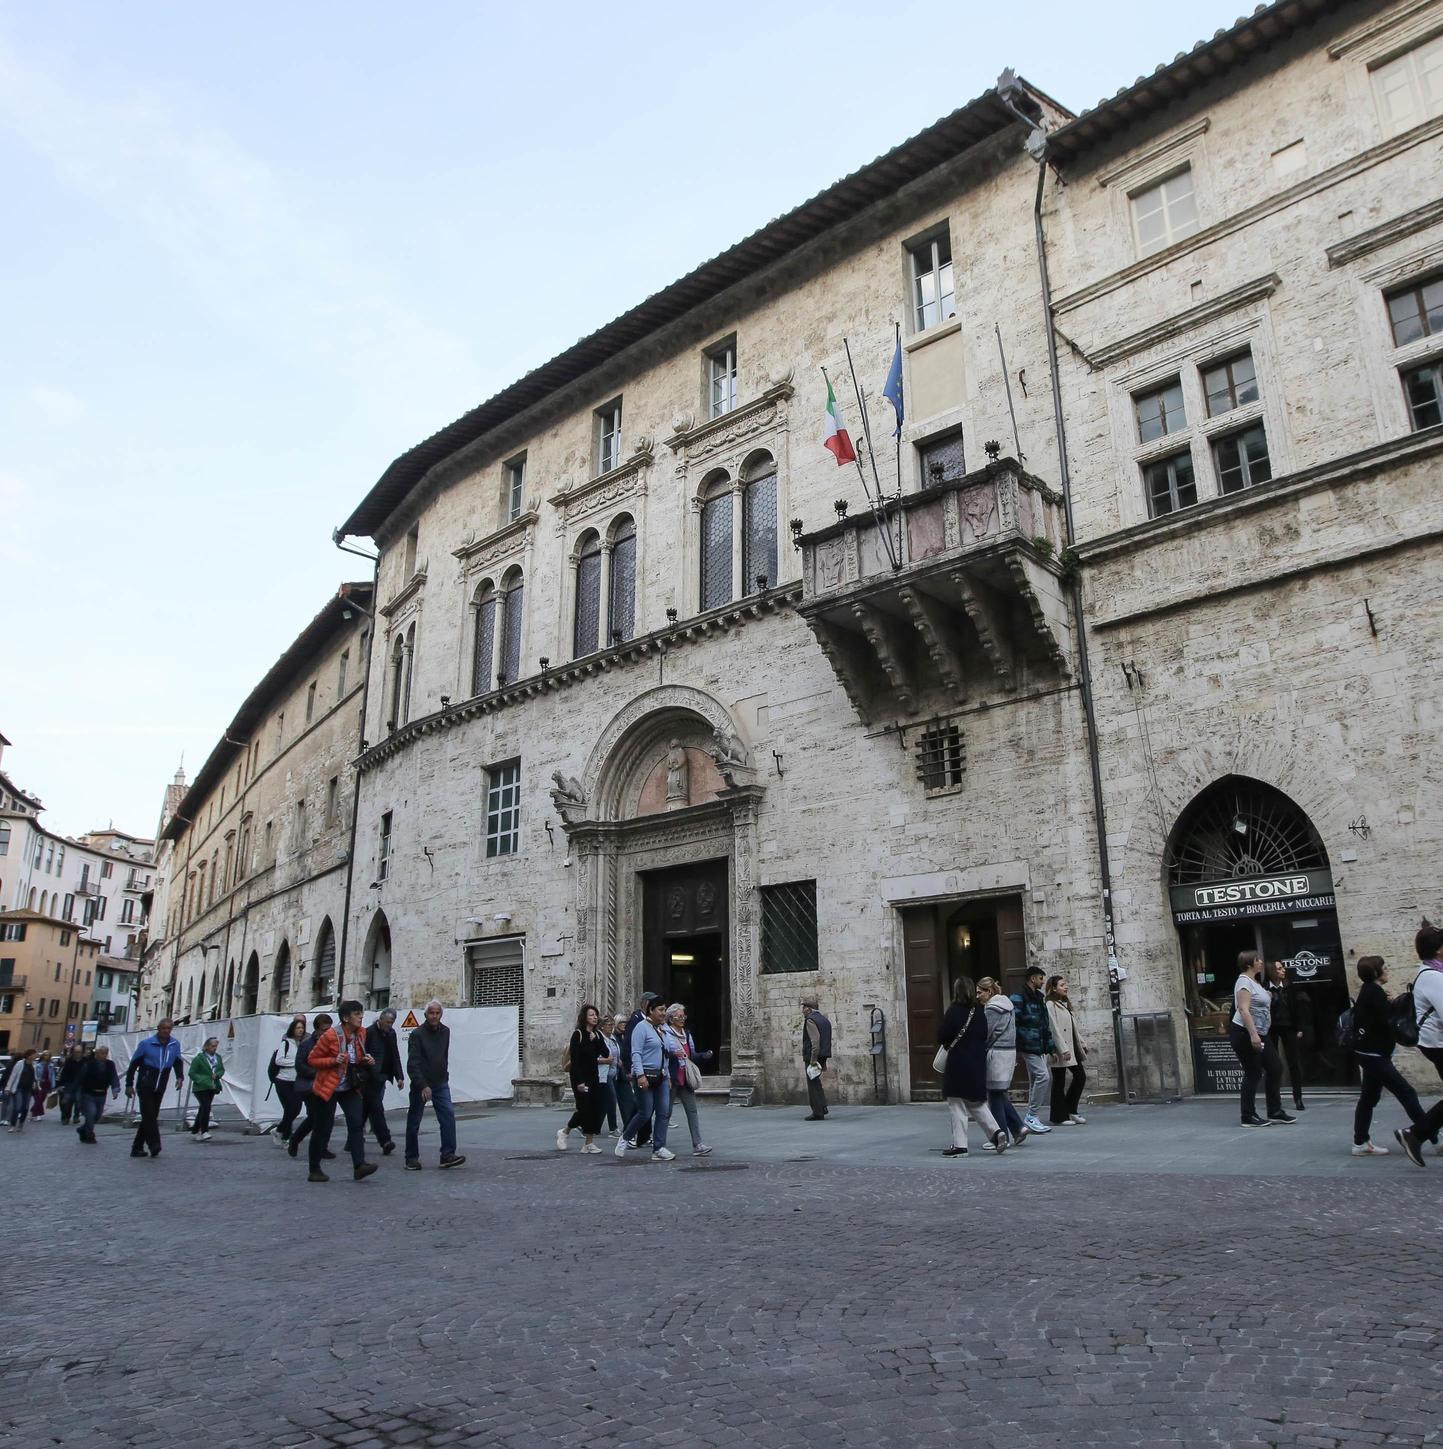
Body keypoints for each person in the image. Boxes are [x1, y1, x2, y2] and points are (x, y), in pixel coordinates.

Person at [1350, 956, 1426, 1156]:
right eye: (1384, 967)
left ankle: (1360, 1142)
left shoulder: (1370, 991)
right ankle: (1430, 1135)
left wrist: (1388, 1001)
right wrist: (1392, 1004)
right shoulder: (1373, 992)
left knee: (1368, 1097)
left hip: (1369, 1053)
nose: (1387, 970)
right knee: (1406, 1092)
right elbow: (1387, 1021)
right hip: (1374, 1055)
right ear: (1376, 972)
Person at [304, 1000, 379, 1183]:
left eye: (361, 1013)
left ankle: (359, 1165)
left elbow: (356, 1058)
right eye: (357, 1013)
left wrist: (366, 1059)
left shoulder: (361, 1033)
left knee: (355, 1123)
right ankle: (314, 1169)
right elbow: (312, 1059)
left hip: (349, 1086)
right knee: (322, 1127)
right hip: (328, 1086)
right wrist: (332, 1060)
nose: (361, 1016)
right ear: (346, 1018)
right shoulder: (330, 1035)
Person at [938, 977, 1005, 1157]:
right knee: (976, 1102)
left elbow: (942, 1034)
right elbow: (984, 1034)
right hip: (976, 1062)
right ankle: (997, 1133)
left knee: (956, 1103)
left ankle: (960, 1146)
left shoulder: (954, 1011)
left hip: (958, 1062)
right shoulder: (979, 1011)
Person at [1394, 923, 1443, 1167]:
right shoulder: (1433, 977)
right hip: (1438, 1043)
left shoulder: (1432, 972)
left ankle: (1415, 1135)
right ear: (1438, 950)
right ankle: (1414, 1134)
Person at [1228, 950, 1293, 1127]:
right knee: (1253, 1072)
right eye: (1258, 960)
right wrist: (1253, 1035)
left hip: (1261, 1033)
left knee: (1275, 1067)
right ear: (1249, 963)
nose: (1261, 962)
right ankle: (1247, 1116)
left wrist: (1268, 995)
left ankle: (1275, 1111)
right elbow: (1243, 1009)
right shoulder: (1243, 982)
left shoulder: (1253, 982)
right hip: (1245, 1033)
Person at [405, 999, 465, 1171]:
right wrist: (422, 1084)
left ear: (441, 1014)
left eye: (437, 1013)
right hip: (421, 1084)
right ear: (426, 1014)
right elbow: (413, 1063)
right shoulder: (417, 1034)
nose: (434, 1016)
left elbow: (443, 1056)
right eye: (431, 1013)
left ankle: (448, 1155)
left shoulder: (445, 1032)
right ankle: (411, 1157)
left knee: (447, 1116)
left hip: (440, 1082)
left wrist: (444, 1075)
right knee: (414, 1120)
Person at [615, 996, 676, 1161]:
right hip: (645, 1076)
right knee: (645, 1112)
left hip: (661, 1076)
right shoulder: (641, 1028)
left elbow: (665, 1055)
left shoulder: (661, 1029)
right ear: (651, 1010)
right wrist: (640, 1075)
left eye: (665, 1010)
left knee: (664, 1112)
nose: (664, 1013)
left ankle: (659, 1148)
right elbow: (636, 1052)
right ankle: (625, 1138)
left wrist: (668, 1075)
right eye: (661, 1010)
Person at [976, 977, 1027, 1150]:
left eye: (979, 992)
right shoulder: (1008, 1006)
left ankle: (1000, 1136)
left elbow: (986, 1033)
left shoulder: (991, 1009)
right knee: (998, 1092)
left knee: (994, 1094)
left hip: (996, 1054)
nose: (977, 996)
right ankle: (1019, 1127)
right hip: (1008, 1052)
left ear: (988, 992)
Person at [125, 1019, 187, 1157]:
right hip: (146, 1083)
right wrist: (129, 1084)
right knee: (149, 1115)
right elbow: (134, 1064)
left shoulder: (174, 1044)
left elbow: (177, 1062)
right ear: (158, 1029)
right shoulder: (146, 1044)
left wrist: (180, 1077)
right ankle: (155, 1144)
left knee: (150, 1116)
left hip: (161, 1084)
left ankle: (137, 1147)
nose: (166, 1031)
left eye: (169, 1029)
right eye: (163, 1028)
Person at [1010, 966, 1057, 1135]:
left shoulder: (1038, 998)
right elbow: (1012, 1022)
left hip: (1038, 1045)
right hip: (1027, 1044)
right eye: (1040, 978)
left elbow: (1044, 1024)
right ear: (1032, 979)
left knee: (1035, 1079)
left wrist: (1051, 1047)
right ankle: (1031, 1115)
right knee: (1043, 1076)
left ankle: (1031, 1116)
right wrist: (1015, 1045)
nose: (1043, 982)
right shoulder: (1018, 997)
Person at [558, 1004, 610, 1153]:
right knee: (584, 1109)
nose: (594, 1017)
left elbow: (606, 1053)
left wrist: (597, 1040)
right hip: (579, 1077)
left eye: (595, 1015)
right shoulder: (578, 1034)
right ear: (584, 1018)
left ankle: (588, 1143)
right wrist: (580, 1082)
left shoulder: (598, 1035)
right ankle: (565, 1132)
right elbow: (575, 1060)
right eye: (591, 1015)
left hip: (594, 1076)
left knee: (595, 1109)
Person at [663, 1003, 713, 1156]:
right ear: (671, 1018)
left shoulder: (687, 1034)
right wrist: (668, 1070)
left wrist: (704, 1055)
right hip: (672, 1077)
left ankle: (697, 1144)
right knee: (666, 1112)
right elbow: (663, 1053)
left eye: (683, 1016)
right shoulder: (665, 1033)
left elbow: (691, 1055)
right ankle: (660, 1144)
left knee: (692, 1111)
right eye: (679, 1016)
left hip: (686, 1078)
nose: (682, 1018)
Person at [286, 1014, 334, 1161]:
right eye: (324, 1029)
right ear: (318, 1029)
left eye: (329, 1028)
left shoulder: (332, 1044)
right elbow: (300, 1066)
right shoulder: (307, 1044)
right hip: (310, 1087)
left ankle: (322, 1147)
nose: (327, 1032)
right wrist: (318, 1072)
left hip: (328, 1085)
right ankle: (295, 1139)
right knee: (315, 1117)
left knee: (328, 1117)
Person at [619, 990, 660, 1147]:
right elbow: (629, 1047)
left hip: (651, 1071)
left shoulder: (652, 1022)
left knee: (646, 1107)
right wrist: (630, 1069)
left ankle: (642, 1136)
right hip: (640, 1071)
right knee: (642, 1107)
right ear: (646, 1005)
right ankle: (629, 1136)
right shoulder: (636, 1021)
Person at [1045, 975, 1088, 1126]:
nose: (1066, 987)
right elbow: (1053, 1029)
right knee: (1059, 1081)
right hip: (1061, 1048)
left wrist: (1082, 1043)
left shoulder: (1064, 1003)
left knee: (1080, 1076)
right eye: (1062, 985)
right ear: (1053, 988)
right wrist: (1062, 1049)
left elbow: (1073, 1027)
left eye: (1066, 984)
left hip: (1072, 1046)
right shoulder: (1050, 1005)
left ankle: (1071, 1110)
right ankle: (1059, 1116)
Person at [1265, 959, 1306, 1112]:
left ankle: (1298, 1097)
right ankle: (1275, 1099)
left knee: (1294, 1062)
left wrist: (1299, 1027)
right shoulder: (1265, 989)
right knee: (1273, 1064)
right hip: (1271, 1029)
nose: (1283, 971)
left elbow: (1298, 1007)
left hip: (1289, 1027)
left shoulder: (1289, 987)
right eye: (1280, 968)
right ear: (1272, 971)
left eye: (1283, 968)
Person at [361, 1007, 403, 1156]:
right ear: (380, 1020)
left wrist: (399, 1076)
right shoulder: (369, 1033)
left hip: (382, 1076)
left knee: (367, 1108)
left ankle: (353, 1138)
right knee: (377, 1108)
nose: (389, 1025)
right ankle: (385, 1140)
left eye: (392, 1023)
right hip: (369, 1077)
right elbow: (362, 1055)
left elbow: (395, 1055)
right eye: (387, 1022)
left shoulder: (391, 1034)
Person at [270, 1016, 308, 1146]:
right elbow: (279, 1060)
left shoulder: (303, 1044)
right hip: (283, 1081)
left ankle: (280, 1132)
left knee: (295, 1108)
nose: (300, 1030)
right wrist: (296, 1063)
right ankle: (285, 1135)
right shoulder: (286, 1043)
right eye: (298, 1028)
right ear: (292, 1029)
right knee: (291, 1108)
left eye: (302, 1028)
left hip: (296, 1081)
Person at [76, 1045, 120, 1145]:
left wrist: (115, 1089)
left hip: (101, 1094)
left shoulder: (110, 1064)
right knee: (91, 1113)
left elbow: (114, 1077)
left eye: (105, 1053)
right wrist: (78, 1093)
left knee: (97, 1116)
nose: (103, 1055)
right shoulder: (89, 1064)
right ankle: (89, 1135)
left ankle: (82, 1129)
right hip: (89, 1093)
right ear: (96, 1054)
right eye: (101, 1053)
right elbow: (80, 1078)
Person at [188, 1037, 225, 1141]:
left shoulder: (218, 1058)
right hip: (201, 1087)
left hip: (212, 1086)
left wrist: (217, 1074)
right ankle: (204, 1130)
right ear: (207, 1047)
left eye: (216, 1046)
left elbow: (221, 1069)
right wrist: (202, 1080)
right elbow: (192, 1073)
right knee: (206, 1106)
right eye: (213, 1046)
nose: (215, 1048)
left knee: (203, 1108)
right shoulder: (199, 1059)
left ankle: (196, 1129)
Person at [801, 995, 831, 1121]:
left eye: (804, 1007)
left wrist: (813, 1060)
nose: (802, 1010)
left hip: (813, 1056)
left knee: (812, 1084)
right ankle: (822, 1107)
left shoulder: (810, 1020)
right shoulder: (824, 1020)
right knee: (816, 1082)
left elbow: (815, 1041)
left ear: (809, 1009)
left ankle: (817, 1112)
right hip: (823, 1055)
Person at [595, 1014, 621, 1135]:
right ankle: (613, 1128)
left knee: (603, 1102)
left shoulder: (613, 1038)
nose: (611, 1027)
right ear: (601, 1027)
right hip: (602, 1074)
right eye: (608, 1025)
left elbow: (615, 1053)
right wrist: (605, 1060)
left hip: (613, 1073)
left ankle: (587, 1125)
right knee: (611, 1099)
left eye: (612, 1025)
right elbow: (590, 1058)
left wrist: (618, 1061)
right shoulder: (598, 1040)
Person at [4, 1050, 37, 1132]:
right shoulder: (20, 1063)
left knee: (25, 1108)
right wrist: (8, 1087)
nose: (34, 1056)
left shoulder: (34, 1065)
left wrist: (37, 1085)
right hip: (19, 1088)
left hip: (28, 1089)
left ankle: (21, 1124)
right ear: (28, 1055)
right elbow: (13, 1075)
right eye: (33, 1055)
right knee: (17, 1107)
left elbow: (35, 1077)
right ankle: (13, 1125)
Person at [57, 1046, 86, 1125]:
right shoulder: (69, 1061)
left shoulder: (85, 1061)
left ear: (82, 1053)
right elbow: (63, 1073)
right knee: (67, 1102)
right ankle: (66, 1117)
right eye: (76, 1052)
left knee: (78, 1101)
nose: (77, 1054)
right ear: (73, 1052)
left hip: (80, 1085)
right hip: (69, 1084)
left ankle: (76, 1116)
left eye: (79, 1052)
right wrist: (60, 1085)